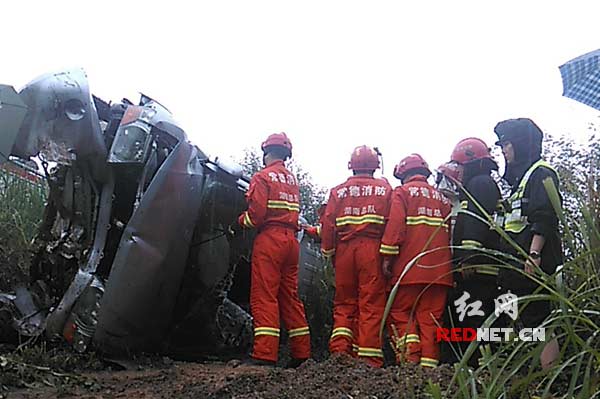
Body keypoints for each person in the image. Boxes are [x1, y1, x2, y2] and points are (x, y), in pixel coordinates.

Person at [237, 132, 311, 367]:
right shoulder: (292, 180)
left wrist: (240, 221)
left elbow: (256, 216)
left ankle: (265, 354)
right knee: (289, 297)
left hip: (270, 240)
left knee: (264, 296)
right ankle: (301, 354)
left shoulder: (262, 177)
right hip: (291, 242)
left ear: (266, 153)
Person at [493, 118, 562, 368]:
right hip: (516, 265)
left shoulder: (541, 173)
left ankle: (550, 381)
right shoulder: (519, 181)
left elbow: (545, 216)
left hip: (533, 263)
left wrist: (534, 254)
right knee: (522, 322)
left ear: (521, 144)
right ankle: (530, 377)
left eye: (507, 144)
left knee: (540, 320)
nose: (503, 150)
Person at [320, 145, 391, 367]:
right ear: (375, 166)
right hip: (372, 250)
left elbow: (328, 224)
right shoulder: (385, 190)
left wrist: (329, 253)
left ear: (351, 166)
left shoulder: (337, 191)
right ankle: (369, 359)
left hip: (344, 250)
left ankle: (340, 354)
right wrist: (389, 256)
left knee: (343, 303)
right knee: (370, 303)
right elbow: (392, 222)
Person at [379, 154, 453, 368]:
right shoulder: (442, 199)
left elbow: (395, 229)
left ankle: (409, 361)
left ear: (403, 174)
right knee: (431, 321)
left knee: (400, 314)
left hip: (408, 270)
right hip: (439, 273)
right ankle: (429, 369)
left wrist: (387, 257)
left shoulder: (401, 193)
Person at [448, 138, 503, 364]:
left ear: (470, 163)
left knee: (475, 321)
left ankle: (477, 367)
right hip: (483, 267)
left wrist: (467, 258)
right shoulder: (483, 183)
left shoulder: (479, 184)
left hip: (478, 270)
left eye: (460, 166)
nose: (458, 171)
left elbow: (475, 222)